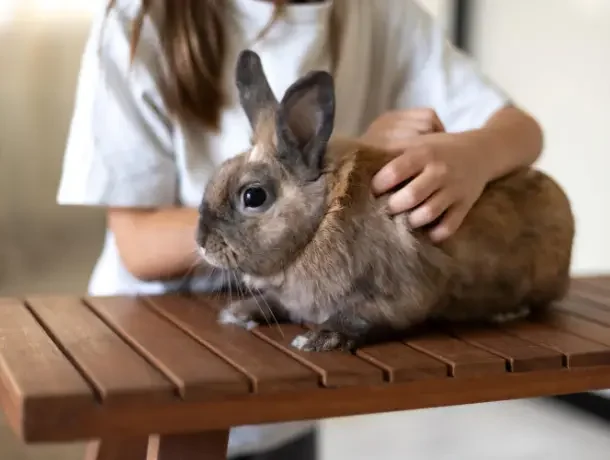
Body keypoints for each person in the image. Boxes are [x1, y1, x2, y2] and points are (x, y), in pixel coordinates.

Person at [57, 0, 543, 458]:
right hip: (151, 371)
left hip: (288, 375)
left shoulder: (379, 14)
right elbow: (137, 244)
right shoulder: (141, 22)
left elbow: (521, 129)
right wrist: (351, 158)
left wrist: (474, 154)